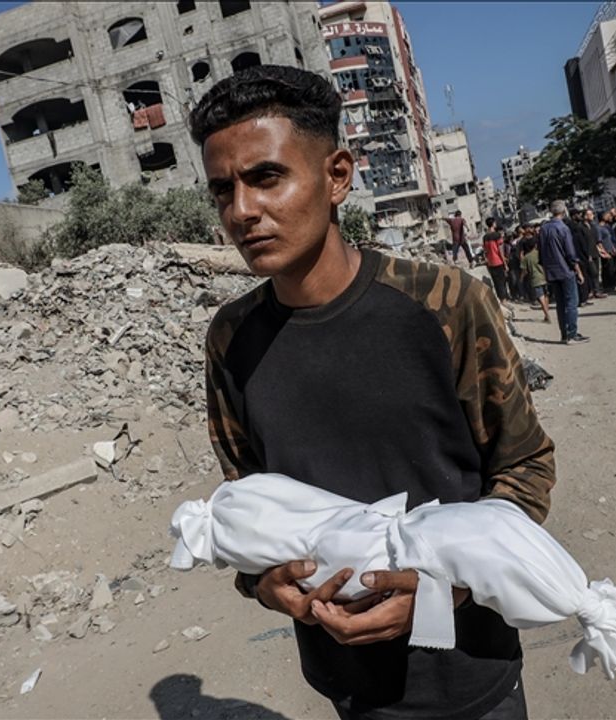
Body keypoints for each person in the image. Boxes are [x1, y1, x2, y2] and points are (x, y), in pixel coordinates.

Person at [191, 65, 556, 720]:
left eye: (267, 177)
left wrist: (444, 588)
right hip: (346, 682)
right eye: (223, 190)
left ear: (337, 176)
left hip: (471, 673)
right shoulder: (230, 339)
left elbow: (524, 467)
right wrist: (263, 581)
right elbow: (243, 499)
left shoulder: (445, 303)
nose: (241, 211)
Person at [538, 200, 588, 344]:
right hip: (565, 270)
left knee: (560, 304)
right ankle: (572, 333)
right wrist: (578, 270)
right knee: (571, 302)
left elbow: (541, 252)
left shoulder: (543, 229)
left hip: (551, 271)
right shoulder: (563, 228)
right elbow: (570, 253)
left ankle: (564, 334)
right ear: (563, 211)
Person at [520, 236, 549, 323]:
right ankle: (546, 314)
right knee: (546, 295)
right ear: (535, 245)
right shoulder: (541, 253)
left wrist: (521, 278)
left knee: (541, 297)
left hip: (535, 279)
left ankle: (547, 315)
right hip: (545, 277)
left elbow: (524, 271)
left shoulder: (526, 257)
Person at [482, 218, 510, 303]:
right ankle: (504, 299)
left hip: (491, 263)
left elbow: (485, 251)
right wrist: (505, 263)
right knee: (502, 281)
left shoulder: (485, 237)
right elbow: (500, 250)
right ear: (493, 224)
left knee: (496, 281)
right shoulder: (497, 235)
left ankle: (501, 299)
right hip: (498, 261)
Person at [597, 211, 616, 293]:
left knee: (612, 268)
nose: (609, 216)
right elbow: (599, 242)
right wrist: (603, 252)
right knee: (607, 268)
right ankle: (608, 285)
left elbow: (609, 238)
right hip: (606, 250)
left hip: (610, 249)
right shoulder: (599, 228)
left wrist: (613, 248)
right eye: (607, 215)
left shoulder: (607, 226)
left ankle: (613, 284)